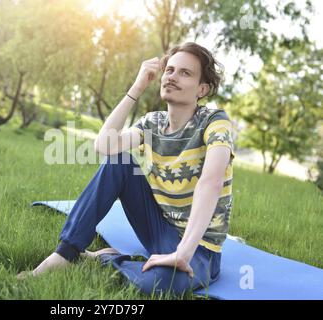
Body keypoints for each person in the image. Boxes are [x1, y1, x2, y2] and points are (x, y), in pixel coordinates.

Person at [17, 42, 235, 296]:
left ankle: (102, 259)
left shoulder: (215, 122)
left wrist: (182, 253)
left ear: (202, 89)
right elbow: (105, 145)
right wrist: (137, 87)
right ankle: (65, 253)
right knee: (118, 161)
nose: (172, 77)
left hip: (200, 248)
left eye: (185, 73)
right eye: (170, 70)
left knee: (157, 285)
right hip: (158, 228)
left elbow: (211, 182)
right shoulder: (152, 123)